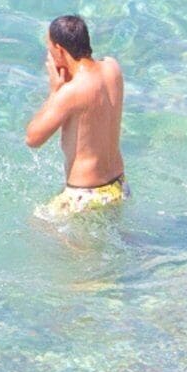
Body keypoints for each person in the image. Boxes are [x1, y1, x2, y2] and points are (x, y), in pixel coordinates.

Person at [23, 13, 126, 218]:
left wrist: (55, 92)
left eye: (49, 48)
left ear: (59, 50)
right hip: (119, 186)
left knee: (38, 225)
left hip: (84, 196)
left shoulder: (71, 93)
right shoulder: (112, 67)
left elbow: (32, 139)